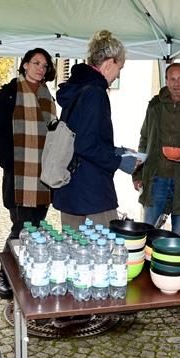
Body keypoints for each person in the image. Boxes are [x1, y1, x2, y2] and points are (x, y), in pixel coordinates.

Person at [52, 30, 139, 227]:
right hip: (92, 192)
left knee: (72, 252)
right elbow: (85, 144)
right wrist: (119, 161)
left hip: (70, 189)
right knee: (105, 252)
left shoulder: (77, 88)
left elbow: (81, 135)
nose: (118, 76)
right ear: (109, 64)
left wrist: (118, 151)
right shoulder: (95, 93)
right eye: (120, 68)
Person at [0, 48, 57, 300]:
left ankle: (25, 274)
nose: (40, 67)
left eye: (44, 64)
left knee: (36, 228)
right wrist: (9, 163)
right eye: (35, 62)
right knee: (20, 228)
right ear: (25, 65)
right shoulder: (9, 92)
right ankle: (4, 276)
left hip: (44, 176)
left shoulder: (48, 95)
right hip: (20, 175)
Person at [132, 62, 180, 237]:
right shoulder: (155, 105)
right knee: (147, 231)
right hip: (156, 177)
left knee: (179, 235)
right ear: (166, 81)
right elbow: (144, 139)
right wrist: (137, 174)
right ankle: (146, 262)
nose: (177, 84)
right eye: (172, 79)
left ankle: (174, 263)